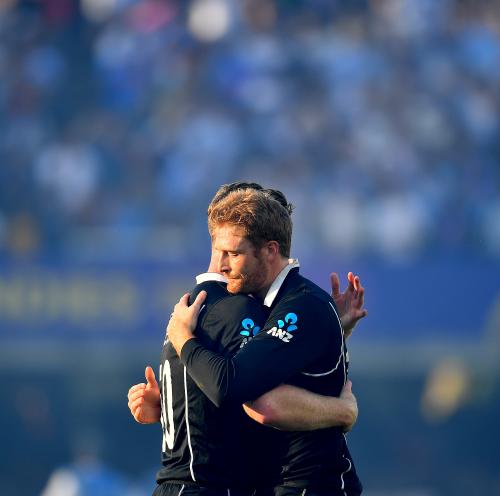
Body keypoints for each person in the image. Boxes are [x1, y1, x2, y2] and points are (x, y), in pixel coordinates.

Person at [128, 183, 364, 496]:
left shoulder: (301, 305)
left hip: (312, 485)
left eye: (234, 254)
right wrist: (176, 405)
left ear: (270, 250)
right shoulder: (266, 307)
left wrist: (183, 339)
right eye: (218, 252)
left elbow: (248, 395)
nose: (222, 266)